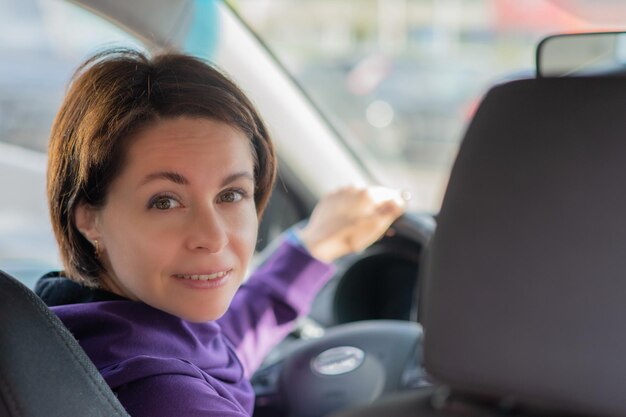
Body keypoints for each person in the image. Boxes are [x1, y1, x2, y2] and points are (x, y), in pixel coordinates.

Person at [36, 48, 405, 416]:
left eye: (231, 194)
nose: (214, 237)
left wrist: (313, 248)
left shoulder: (71, 322)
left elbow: (219, 346)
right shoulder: (164, 395)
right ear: (88, 218)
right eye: (165, 202)